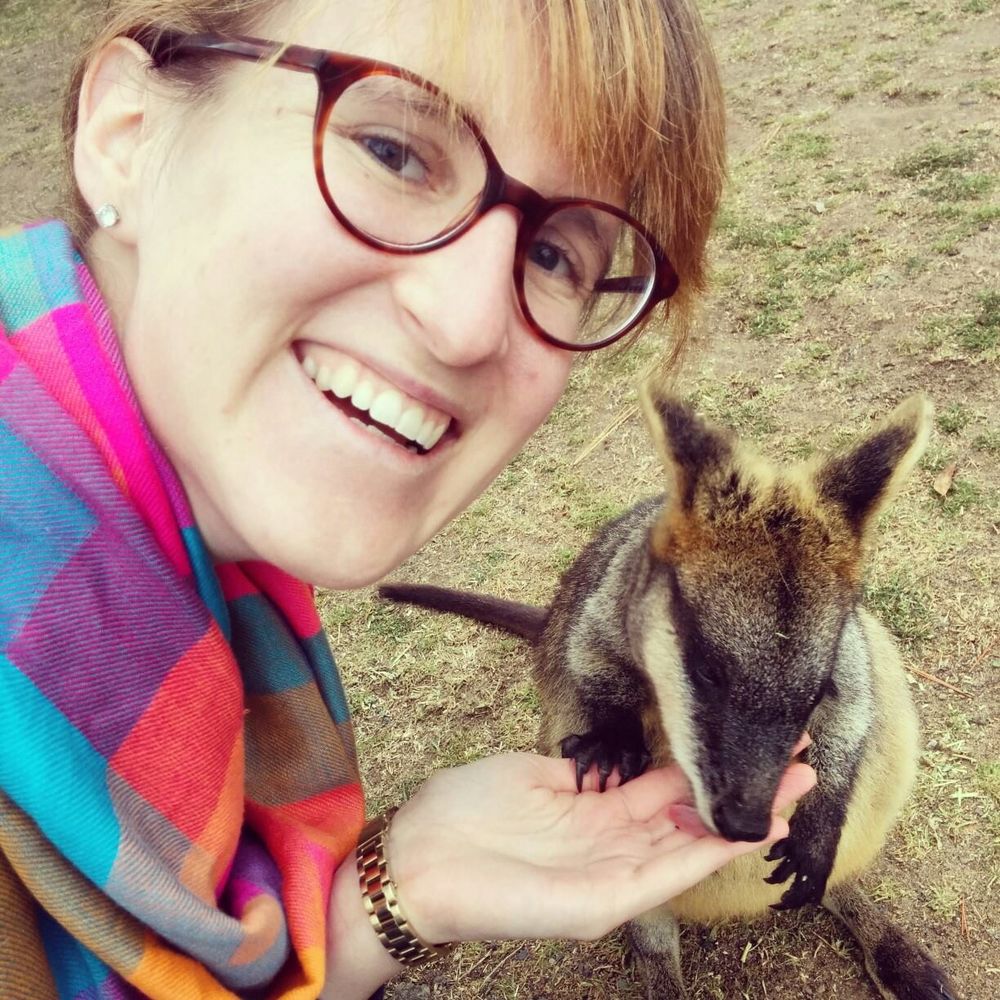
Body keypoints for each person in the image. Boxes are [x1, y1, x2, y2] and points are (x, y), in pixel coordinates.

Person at [0, 1, 816, 998]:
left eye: (558, 253)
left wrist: (393, 893)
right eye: (393, 150)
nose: (469, 320)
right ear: (126, 132)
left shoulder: (199, 586)